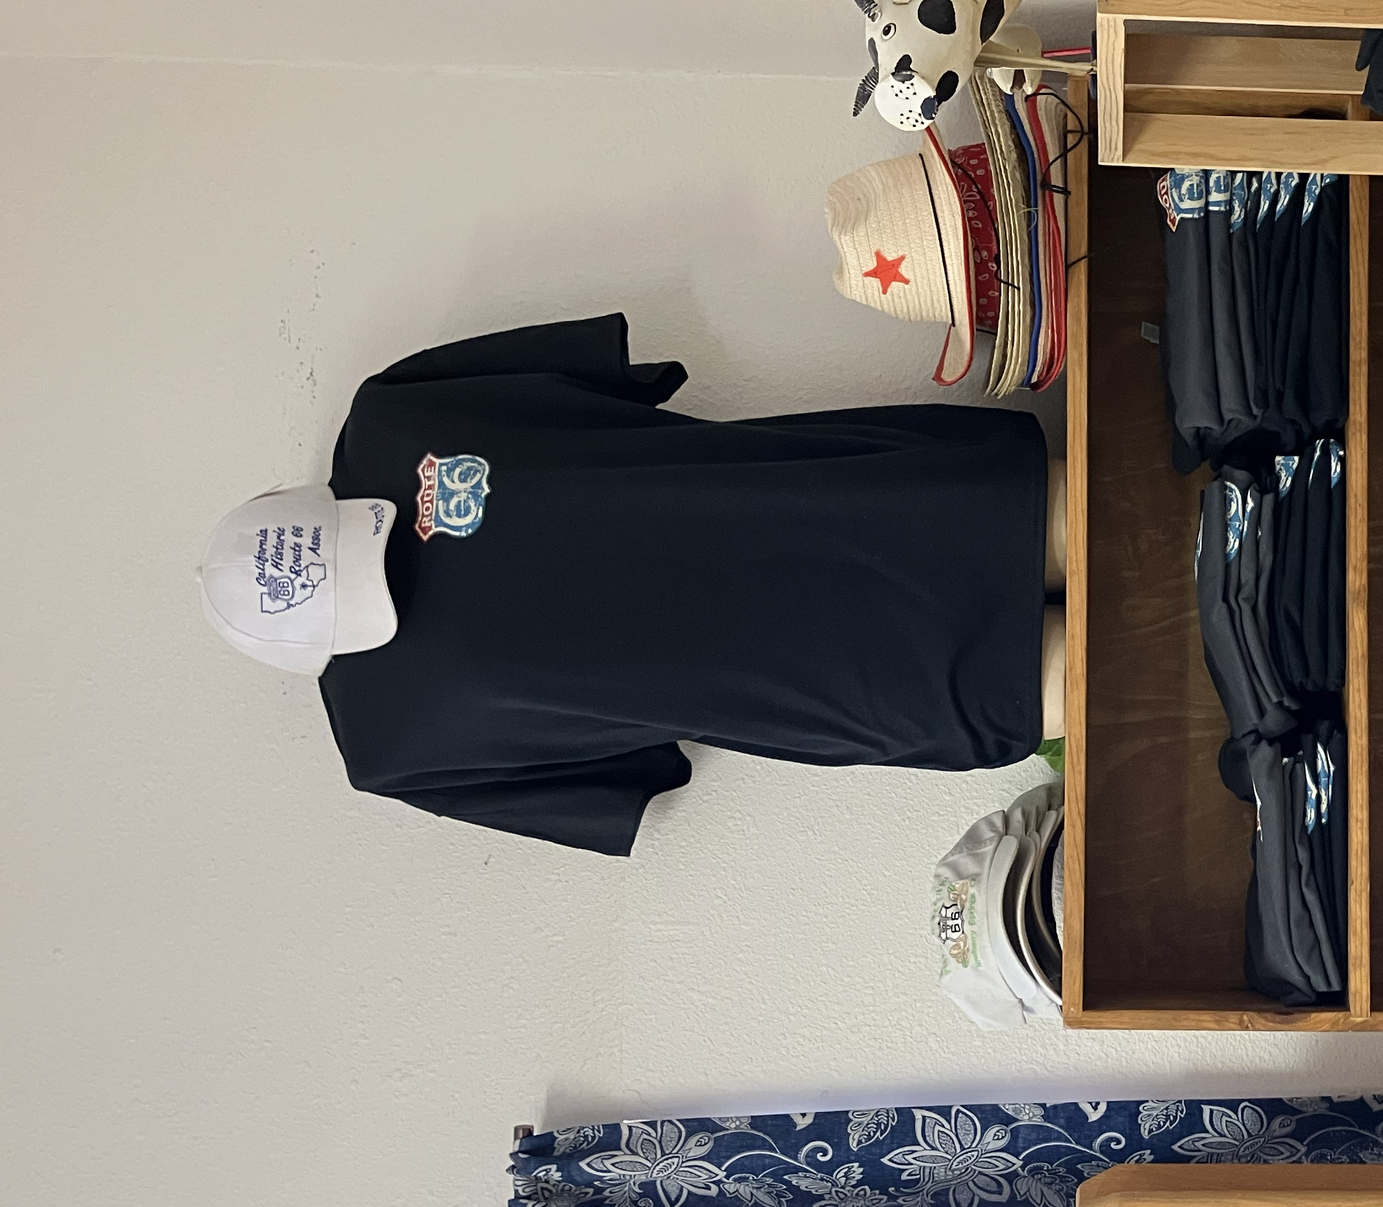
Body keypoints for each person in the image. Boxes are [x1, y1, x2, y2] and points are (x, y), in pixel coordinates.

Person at [198, 314, 1066, 855]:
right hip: (859, 648)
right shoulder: (390, 749)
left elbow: (633, 774)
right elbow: (619, 383)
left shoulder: (393, 412)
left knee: (1110, 528)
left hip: (859, 542)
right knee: (1126, 669)